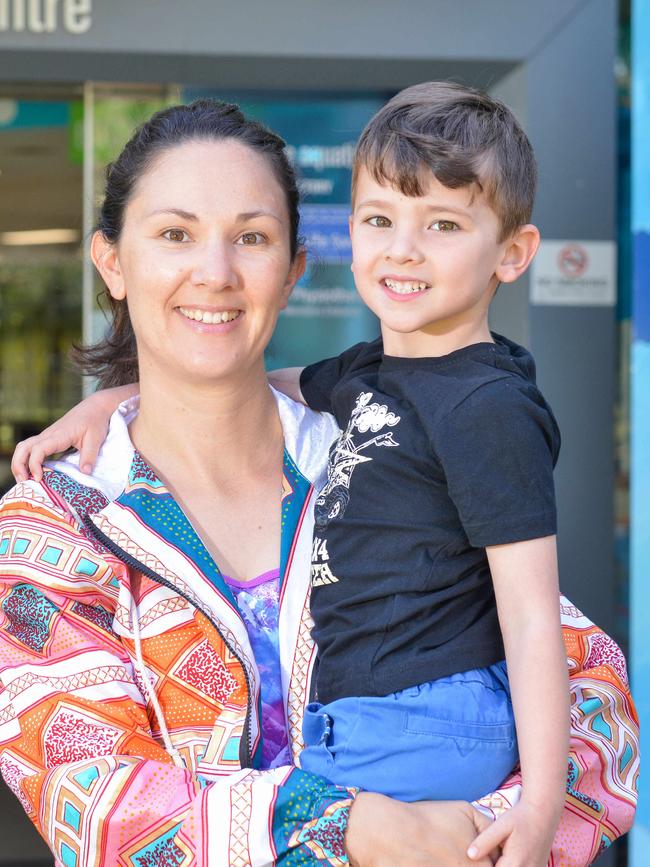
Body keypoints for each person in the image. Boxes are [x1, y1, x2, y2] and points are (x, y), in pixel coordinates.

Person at [7, 97, 639, 866]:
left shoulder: (378, 447)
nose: (215, 272)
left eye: (253, 237)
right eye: (175, 234)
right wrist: (359, 831)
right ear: (112, 260)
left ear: (295, 266)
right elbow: (96, 803)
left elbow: (595, 701)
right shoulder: (58, 518)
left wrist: (483, 830)